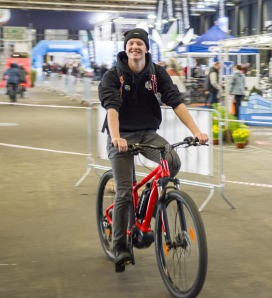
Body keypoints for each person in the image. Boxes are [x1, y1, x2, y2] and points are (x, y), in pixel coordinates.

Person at [98, 28, 209, 272]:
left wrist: (195, 131)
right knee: (124, 192)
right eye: (131, 43)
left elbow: (176, 101)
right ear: (126, 47)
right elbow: (112, 109)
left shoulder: (157, 73)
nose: (135, 47)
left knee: (172, 161)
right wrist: (116, 137)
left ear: (146, 48)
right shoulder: (113, 75)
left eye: (139, 43)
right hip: (121, 135)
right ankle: (120, 246)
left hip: (147, 133)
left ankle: (147, 202)